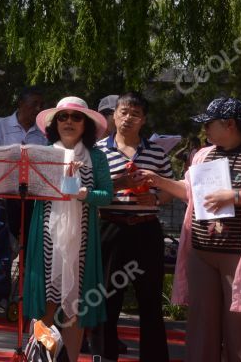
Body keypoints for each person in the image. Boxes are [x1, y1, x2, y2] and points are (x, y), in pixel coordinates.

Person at [143, 97, 241, 362]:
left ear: (230, 124)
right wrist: (159, 181)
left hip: (237, 255)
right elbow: (190, 191)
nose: (205, 130)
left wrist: (232, 196)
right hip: (202, 250)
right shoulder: (203, 154)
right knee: (201, 326)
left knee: (239, 328)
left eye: (209, 124)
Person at [23, 96, 113, 361]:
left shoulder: (97, 157)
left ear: (85, 124)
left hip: (82, 241)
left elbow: (106, 195)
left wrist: (84, 193)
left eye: (76, 117)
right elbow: (30, 190)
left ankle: (71, 359)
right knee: (46, 305)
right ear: (54, 124)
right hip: (46, 237)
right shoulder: (43, 153)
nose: (69, 122)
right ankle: (43, 357)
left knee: (75, 306)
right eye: (62, 117)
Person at [93, 92, 173, 361]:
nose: (128, 118)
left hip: (146, 230)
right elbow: (88, 191)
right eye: (124, 112)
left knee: (150, 301)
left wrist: (156, 197)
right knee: (106, 298)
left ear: (144, 120)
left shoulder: (157, 153)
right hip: (110, 228)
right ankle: (104, 355)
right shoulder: (98, 151)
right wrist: (119, 184)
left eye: (135, 113)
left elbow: (169, 190)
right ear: (114, 115)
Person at [0, 86, 46, 240]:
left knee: (31, 238)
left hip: (33, 195)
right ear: (20, 103)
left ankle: (26, 262)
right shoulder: (2, 126)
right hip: (5, 193)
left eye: (41, 105)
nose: (38, 109)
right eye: (34, 104)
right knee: (3, 240)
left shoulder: (43, 130)